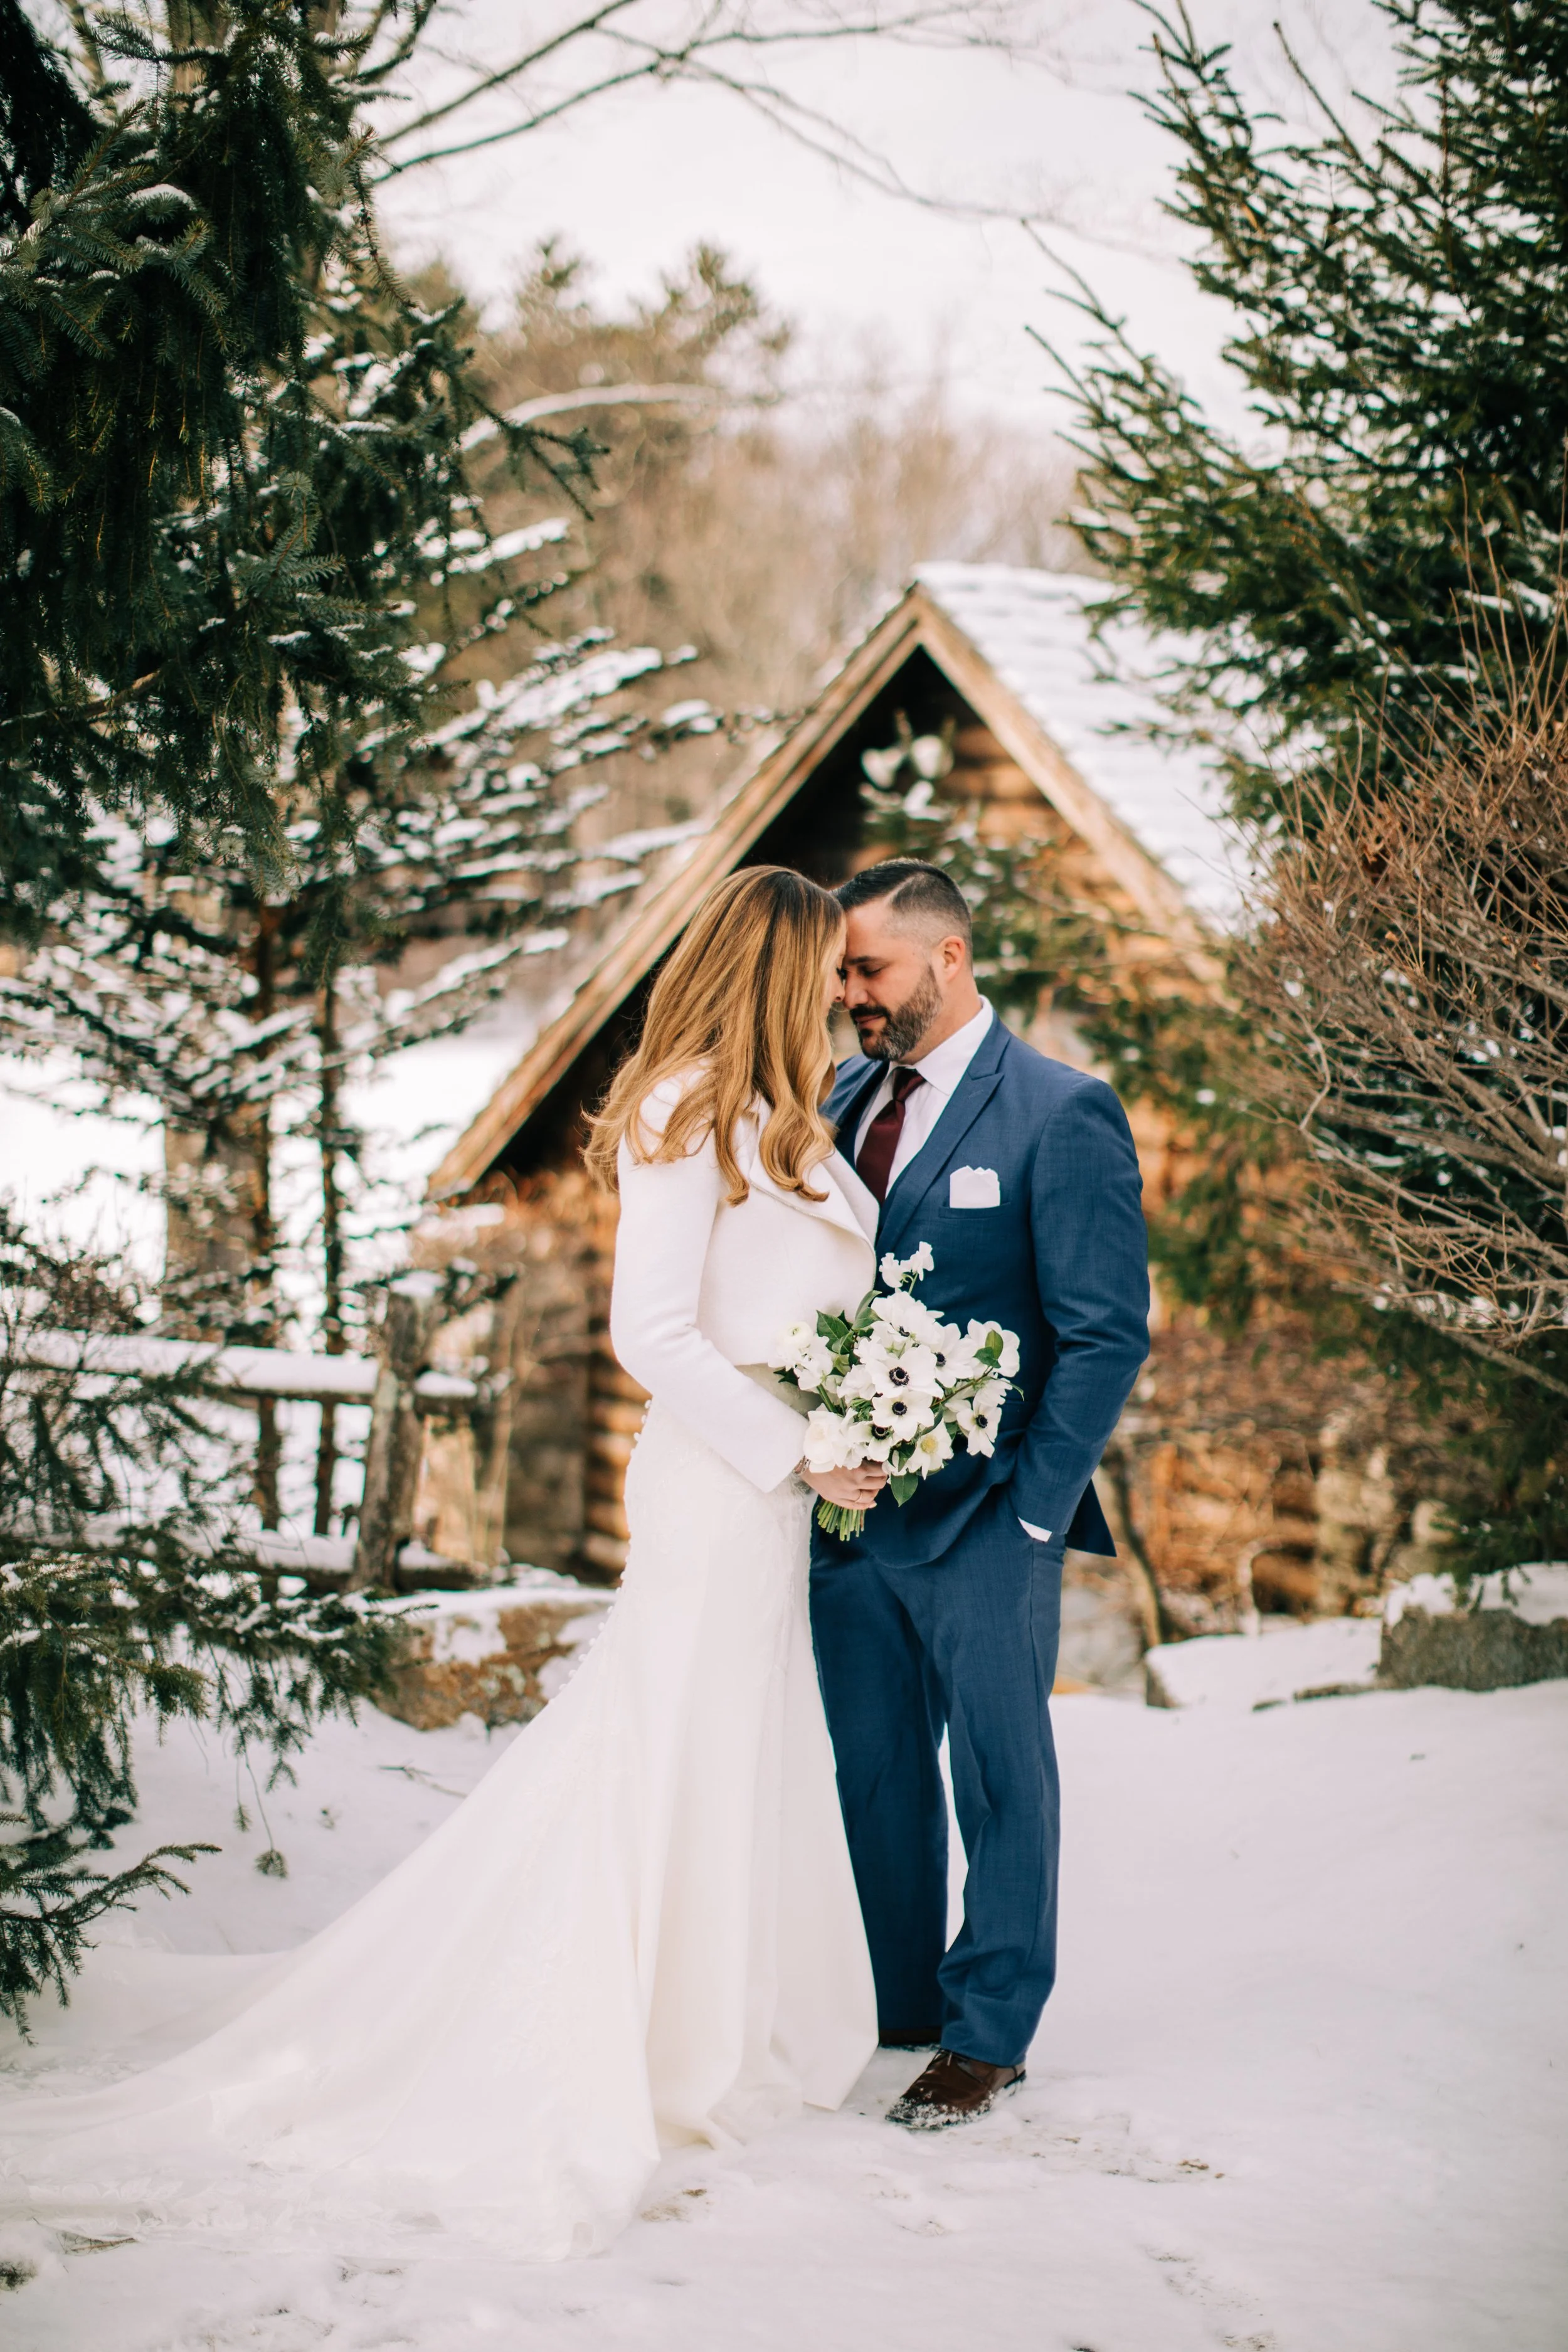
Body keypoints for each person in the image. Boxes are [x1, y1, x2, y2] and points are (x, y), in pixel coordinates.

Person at [0, 867, 886, 2264]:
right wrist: (794, 1447)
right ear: (775, 968)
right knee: (666, 1748)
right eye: (831, 968)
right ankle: (629, 2046)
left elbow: (798, 1306)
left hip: (774, 1491)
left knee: (736, 1749)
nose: (849, 990)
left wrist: (861, 1415)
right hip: (720, 1482)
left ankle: (720, 2028)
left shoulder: (796, 1125)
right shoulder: (680, 1111)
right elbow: (649, 1336)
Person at [810, 859, 1149, 2131]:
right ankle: (894, 2010)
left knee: (998, 1778)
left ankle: (986, 2031)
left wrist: (1030, 1508)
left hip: (988, 1519)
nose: (850, 993)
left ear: (945, 959)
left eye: (868, 969)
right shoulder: (837, 1099)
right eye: (845, 972)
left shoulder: (1058, 1112)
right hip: (849, 1522)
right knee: (874, 1770)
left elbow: (1103, 1332)